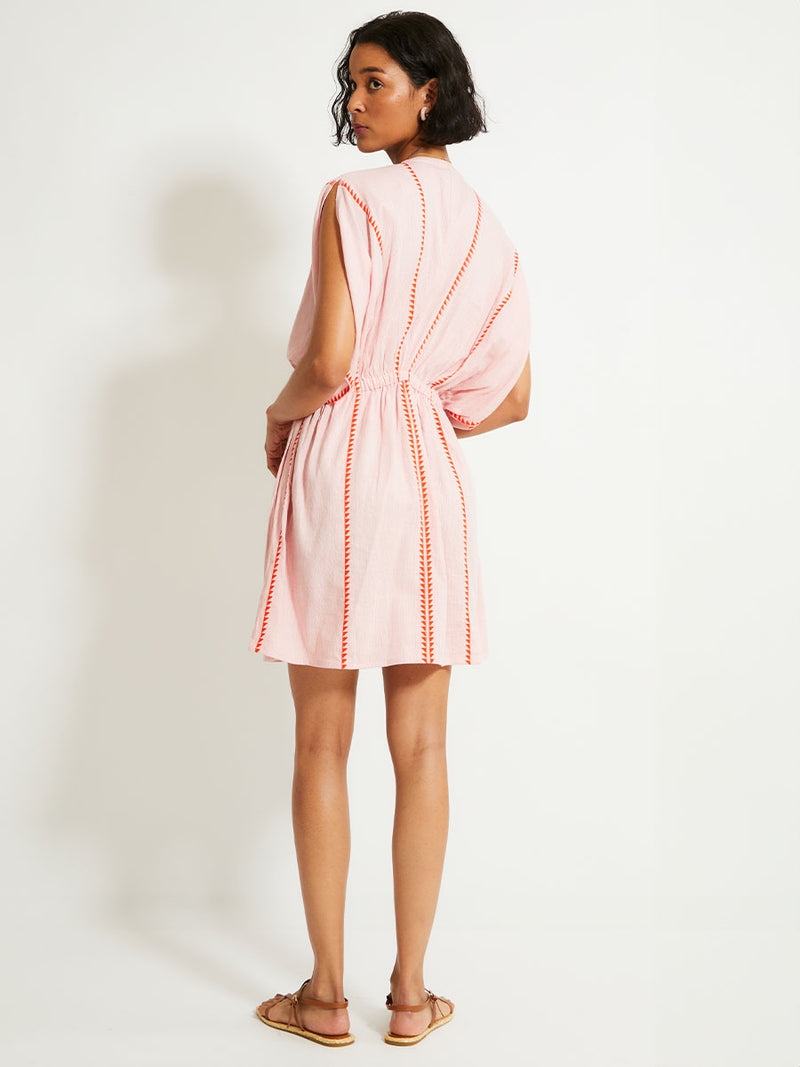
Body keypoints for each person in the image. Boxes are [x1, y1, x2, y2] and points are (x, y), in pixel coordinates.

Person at [251, 11, 532, 1048]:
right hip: (426, 474)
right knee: (422, 745)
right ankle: (410, 995)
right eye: (350, 84)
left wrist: (276, 416)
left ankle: (325, 996)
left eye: (374, 82)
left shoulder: (349, 200)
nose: (355, 104)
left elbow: (325, 365)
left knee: (322, 737)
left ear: (428, 88)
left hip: (339, 459)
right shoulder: (490, 230)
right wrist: (419, 405)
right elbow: (509, 398)